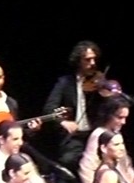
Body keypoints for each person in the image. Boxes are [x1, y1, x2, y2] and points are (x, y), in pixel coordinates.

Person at [42, 40, 105, 175]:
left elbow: (109, 107)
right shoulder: (64, 83)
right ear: (78, 61)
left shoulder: (99, 82)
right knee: (69, 159)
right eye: (88, 60)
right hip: (74, 138)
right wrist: (64, 122)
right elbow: (49, 108)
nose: (92, 63)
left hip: (95, 135)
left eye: (94, 59)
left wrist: (108, 92)